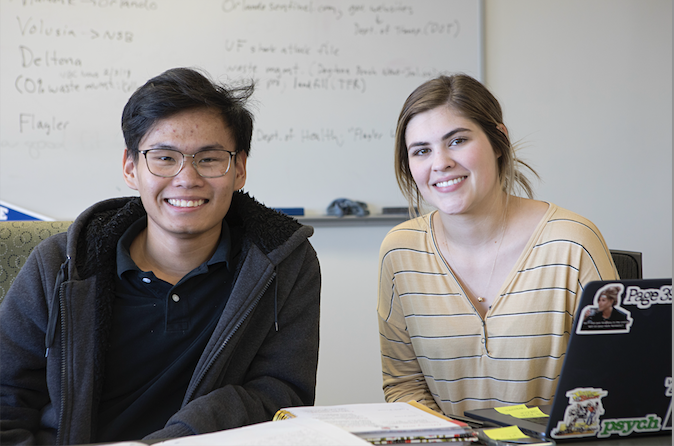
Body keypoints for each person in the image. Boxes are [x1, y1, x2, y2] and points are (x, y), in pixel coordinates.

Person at [0, 68, 321, 445]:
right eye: (164, 158)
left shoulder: (282, 264)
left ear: (240, 169)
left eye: (210, 158)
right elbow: (7, 399)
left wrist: (178, 437)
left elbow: (281, 396)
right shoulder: (60, 265)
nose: (187, 178)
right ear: (130, 167)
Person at [377, 74, 618, 417]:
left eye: (457, 141)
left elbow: (613, 379)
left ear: (498, 141)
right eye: (421, 150)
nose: (440, 162)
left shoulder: (573, 242)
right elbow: (404, 385)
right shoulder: (400, 251)